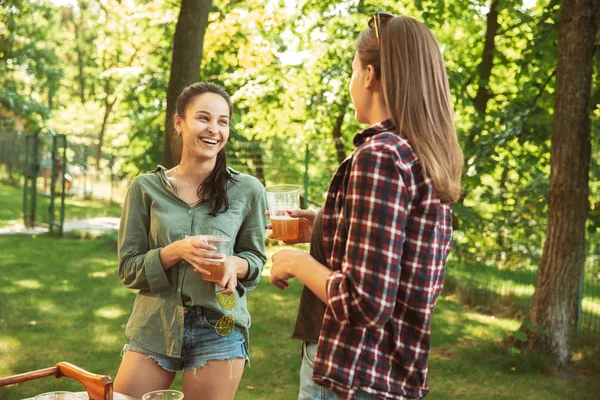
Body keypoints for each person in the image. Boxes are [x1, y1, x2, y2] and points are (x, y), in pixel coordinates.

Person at [269, 13, 463, 400]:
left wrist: (293, 260)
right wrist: (325, 225)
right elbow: (396, 257)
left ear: (369, 75)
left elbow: (367, 302)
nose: (352, 81)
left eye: (353, 70)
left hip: (352, 375)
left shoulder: (380, 157)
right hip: (389, 374)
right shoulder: (418, 153)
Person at [114, 82, 267, 400]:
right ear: (179, 122)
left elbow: (255, 259)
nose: (214, 129)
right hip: (154, 323)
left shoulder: (248, 190)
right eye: (203, 118)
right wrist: (174, 251)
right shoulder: (144, 188)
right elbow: (129, 269)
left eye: (222, 121)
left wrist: (232, 265)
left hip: (219, 325)